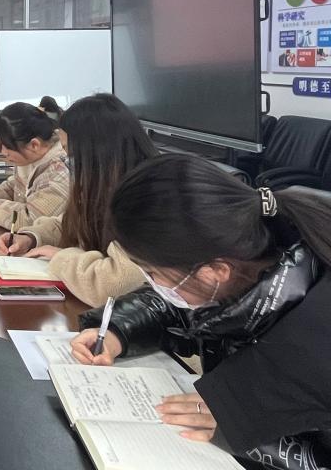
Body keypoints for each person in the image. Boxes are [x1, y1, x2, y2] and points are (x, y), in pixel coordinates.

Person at [71, 154, 331, 469]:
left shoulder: (315, 338)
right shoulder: (256, 248)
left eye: (153, 274)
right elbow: (182, 308)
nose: (153, 284)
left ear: (215, 271)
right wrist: (118, 331)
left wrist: (244, 430)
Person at [0, 94, 154, 306]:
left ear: (97, 152)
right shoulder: (102, 182)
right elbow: (71, 224)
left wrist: (59, 257)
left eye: (70, 154)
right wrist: (31, 238)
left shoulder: (149, 197)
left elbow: (110, 285)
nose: (65, 161)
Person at [0, 101, 70, 229]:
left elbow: (29, 220)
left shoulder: (60, 174)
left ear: (34, 145)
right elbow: (13, 188)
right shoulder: (31, 157)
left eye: (8, 146)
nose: (3, 152)